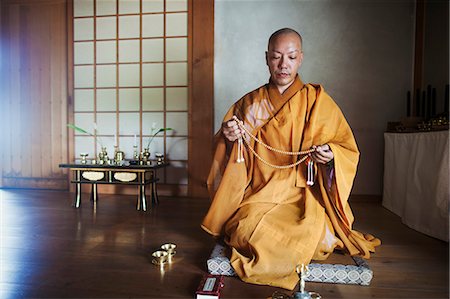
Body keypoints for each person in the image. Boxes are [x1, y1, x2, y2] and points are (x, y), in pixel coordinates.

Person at [201, 28, 381, 290]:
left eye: (291, 56)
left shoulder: (317, 102)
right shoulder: (250, 104)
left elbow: (346, 149)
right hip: (260, 193)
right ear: (266, 58)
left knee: (316, 237)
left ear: (301, 59)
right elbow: (229, 155)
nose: (283, 64)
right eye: (276, 56)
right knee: (244, 230)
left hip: (303, 195)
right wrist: (230, 138)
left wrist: (330, 155)